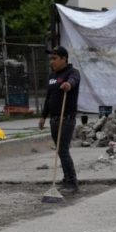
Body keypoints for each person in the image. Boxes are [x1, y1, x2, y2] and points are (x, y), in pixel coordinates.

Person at [39, 45, 81, 192]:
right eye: (51, 59)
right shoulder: (52, 77)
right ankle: (66, 178)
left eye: (55, 58)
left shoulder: (72, 72)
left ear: (64, 59)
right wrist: (43, 117)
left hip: (66, 119)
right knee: (60, 150)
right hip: (54, 120)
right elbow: (48, 97)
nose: (52, 62)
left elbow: (74, 80)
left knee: (63, 150)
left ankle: (72, 183)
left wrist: (68, 85)